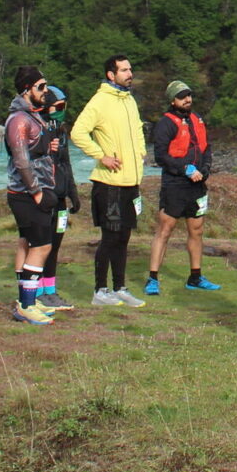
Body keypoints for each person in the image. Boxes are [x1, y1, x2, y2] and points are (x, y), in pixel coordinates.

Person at [71, 55, 148, 307]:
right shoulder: (100, 101)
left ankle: (120, 287)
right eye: (124, 70)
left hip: (130, 181)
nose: (129, 73)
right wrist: (100, 155)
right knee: (110, 237)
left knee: (124, 237)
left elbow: (137, 129)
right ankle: (100, 290)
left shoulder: (129, 100)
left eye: (130, 69)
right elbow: (77, 132)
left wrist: (141, 152)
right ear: (110, 75)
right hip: (109, 183)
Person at [144, 80, 220, 296]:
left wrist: (204, 169)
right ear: (172, 100)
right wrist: (184, 168)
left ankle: (195, 277)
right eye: (182, 96)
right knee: (165, 229)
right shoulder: (165, 124)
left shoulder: (198, 120)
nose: (187, 99)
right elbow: (161, 156)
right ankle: (153, 278)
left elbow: (206, 148)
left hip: (197, 185)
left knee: (197, 230)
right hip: (175, 184)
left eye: (188, 95)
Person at [3, 67, 59, 325]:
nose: (45, 91)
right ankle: (26, 306)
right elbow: (21, 161)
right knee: (41, 246)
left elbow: (33, 150)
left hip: (37, 190)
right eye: (41, 86)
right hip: (26, 193)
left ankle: (29, 299)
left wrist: (48, 146)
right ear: (27, 89)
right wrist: (36, 193)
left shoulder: (33, 116)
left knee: (38, 244)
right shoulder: (18, 119)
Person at [33, 84, 81, 312]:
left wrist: (73, 192)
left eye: (64, 106)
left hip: (60, 197)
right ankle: (39, 292)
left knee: (55, 246)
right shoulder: (39, 129)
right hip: (44, 196)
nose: (62, 110)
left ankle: (51, 291)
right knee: (43, 245)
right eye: (58, 106)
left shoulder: (61, 129)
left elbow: (66, 163)